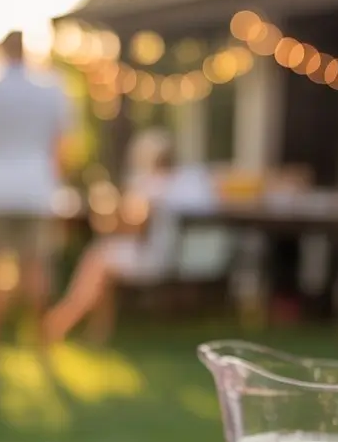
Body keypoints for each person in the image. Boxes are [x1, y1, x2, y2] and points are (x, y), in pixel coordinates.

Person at [0, 30, 72, 360]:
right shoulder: (50, 91)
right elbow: (60, 147)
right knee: (34, 267)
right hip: (35, 189)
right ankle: (41, 340)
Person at [44, 129, 216, 343]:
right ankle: (90, 330)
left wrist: (103, 213)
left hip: (156, 261)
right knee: (102, 257)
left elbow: (130, 226)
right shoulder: (189, 184)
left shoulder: (151, 186)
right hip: (194, 261)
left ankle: (63, 319)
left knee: (98, 257)